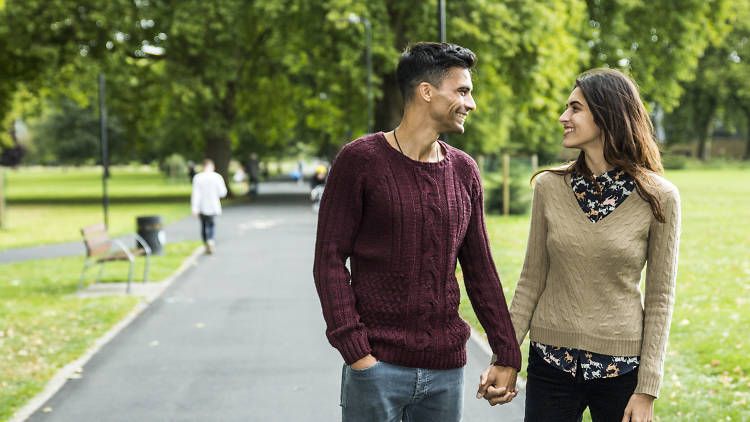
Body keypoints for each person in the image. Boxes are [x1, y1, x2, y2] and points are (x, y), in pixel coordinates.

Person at [313, 42, 521, 422]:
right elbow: (328, 261)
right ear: (426, 91)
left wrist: (507, 352)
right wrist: (357, 353)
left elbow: (481, 271)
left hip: (445, 371)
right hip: (376, 369)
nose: (471, 103)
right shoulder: (360, 161)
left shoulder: (464, 170)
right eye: (462, 90)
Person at [487, 68, 681, 422]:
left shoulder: (659, 197)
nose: (564, 117)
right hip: (550, 365)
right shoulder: (549, 187)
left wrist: (647, 388)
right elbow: (531, 280)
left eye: (575, 108)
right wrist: (505, 356)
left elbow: (660, 298)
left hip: (622, 372)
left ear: (606, 114)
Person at [190, 158, 227, 254]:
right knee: (211, 224)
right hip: (213, 205)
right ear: (212, 167)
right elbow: (223, 192)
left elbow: (196, 194)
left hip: (202, 206)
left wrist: (195, 208)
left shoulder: (198, 178)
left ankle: (206, 241)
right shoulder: (217, 177)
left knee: (203, 225)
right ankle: (210, 239)